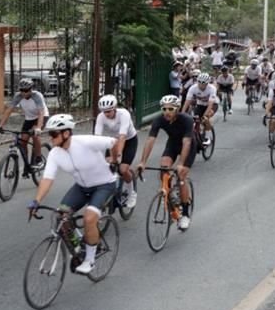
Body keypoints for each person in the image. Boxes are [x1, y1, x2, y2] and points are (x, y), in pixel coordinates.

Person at [27, 114, 117, 275]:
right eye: (50, 134)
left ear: (66, 133)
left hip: (104, 185)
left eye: (54, 134)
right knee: (61, 215)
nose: (51, 138)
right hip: (82, 187)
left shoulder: (85, 142)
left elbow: (113, 142)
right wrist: (36, 201)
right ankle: (79, 247)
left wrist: (114, 160)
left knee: (89, 218)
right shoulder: (55, 153)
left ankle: (90, 259)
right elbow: (47, 179)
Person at [135, 95, 195, 231]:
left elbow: (187, 143)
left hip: (188, 146)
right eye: (164, 109)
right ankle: (168, 193)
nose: (167, 112)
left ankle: (185, 213)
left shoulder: (186, 120)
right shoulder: (159, 119)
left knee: (181, 177)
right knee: (164, 168)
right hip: (173, 144)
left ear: (177, 109)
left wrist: (180, 164)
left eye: (170, 109)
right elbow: (150, 140)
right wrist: (142, 162)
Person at [93, 94, 138, 208]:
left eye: (109, 111)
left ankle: (131, 192)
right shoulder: (100, 117)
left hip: (129, 140)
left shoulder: (124, 114)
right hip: (112, 142)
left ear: (115, 108)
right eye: (104, 112)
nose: (106, 114)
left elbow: (122, 137)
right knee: (106, 165)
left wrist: (118, 155)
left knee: (123, 169)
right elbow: (97, 138)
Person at [0, 77, 49, 166]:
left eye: (26, 90)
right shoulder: (18, 96)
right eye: (22, 90)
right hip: (29, 118)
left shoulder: (37, 96)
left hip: (42, 116)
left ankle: (38, 158)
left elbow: (41, 112)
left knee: (35, 136)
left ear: (31, 89)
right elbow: (9, 110)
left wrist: (39, 128)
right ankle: (27, 164)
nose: (24, 93)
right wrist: (0, 125)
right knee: (22, 142)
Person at [182, 72, 219, 146]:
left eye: (204, 83)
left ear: (207, 83)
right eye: (200, 82)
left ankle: (207, 137)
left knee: (205, 118)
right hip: (200, 104)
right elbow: (187, 102)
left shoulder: (212, 88)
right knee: (195, 119)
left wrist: (205, 115)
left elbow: (210, 104)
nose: (201, 85)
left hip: (213, 104)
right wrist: (182, 113)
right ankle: (198, 133)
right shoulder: (193, 88)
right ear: (197, 81)